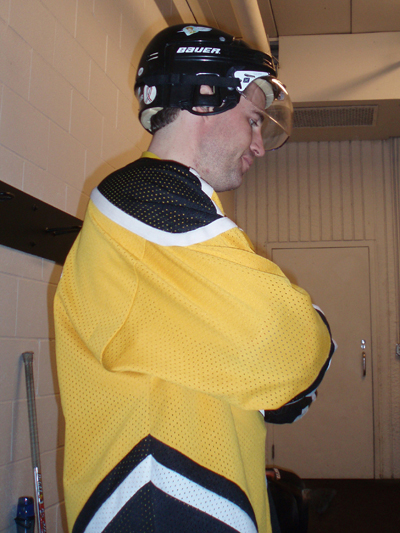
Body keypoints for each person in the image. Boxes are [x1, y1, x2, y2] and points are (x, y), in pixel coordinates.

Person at [54, 24, 335, 533]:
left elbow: (275, 381)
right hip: (162, 506)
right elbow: (291, 351)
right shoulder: (145, 202)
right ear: (205, 95)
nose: (259, 144)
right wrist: (311, 325)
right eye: (253, 120)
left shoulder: (166, 208)